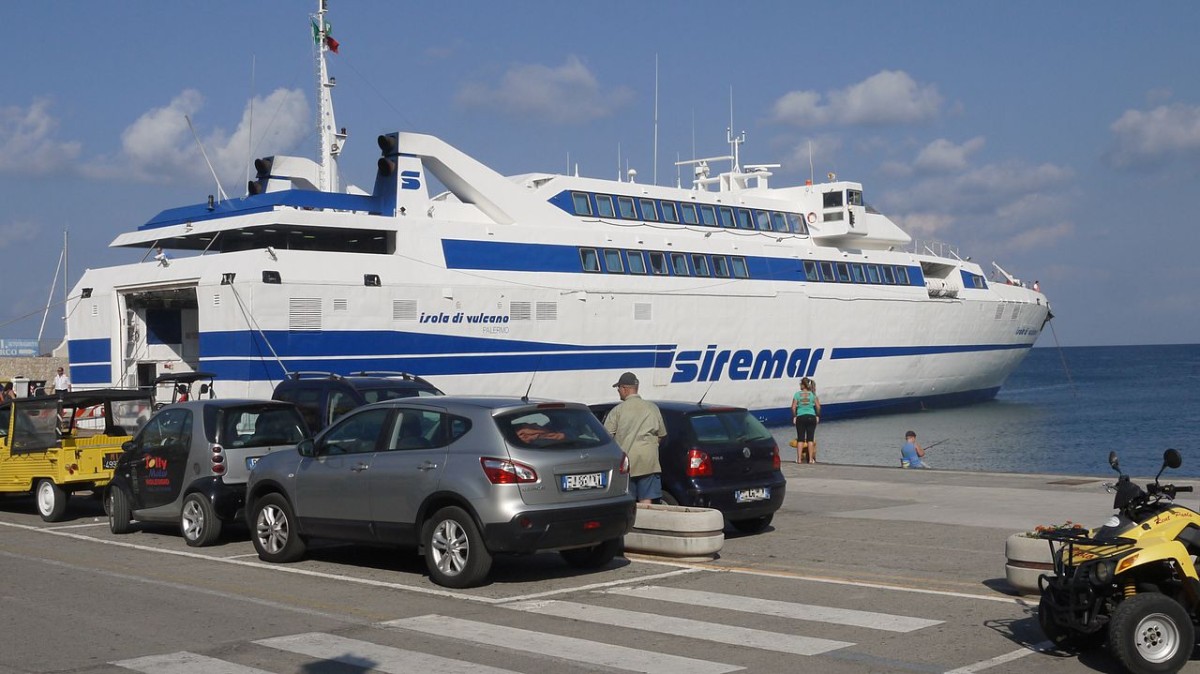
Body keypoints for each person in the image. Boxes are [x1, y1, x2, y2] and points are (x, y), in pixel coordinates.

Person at [603, 372, 666, 504]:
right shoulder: (652, 408)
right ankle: (645, 523)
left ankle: (631, 524)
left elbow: (606, 437)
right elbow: (661, 435)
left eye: (618, 388)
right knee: (646, 501)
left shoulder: (617, 411)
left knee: (628, 500)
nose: (618, 391)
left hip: (626, 463)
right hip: (649, 462)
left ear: (625, 388)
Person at [790, 377, 820, 463]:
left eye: (800, 384)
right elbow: (818, 406)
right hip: (811, 416)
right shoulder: (813, 394)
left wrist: (795, 416)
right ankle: (810, 459)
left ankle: (799, 459)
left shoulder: (797, 394)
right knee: (810, 439)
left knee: (800, 439)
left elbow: (793, 407)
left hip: (800, 417)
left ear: (803, 385)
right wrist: (817, 415)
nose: (800, 385)